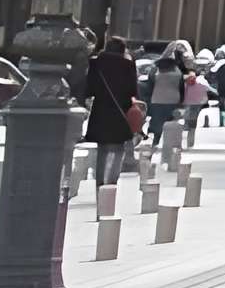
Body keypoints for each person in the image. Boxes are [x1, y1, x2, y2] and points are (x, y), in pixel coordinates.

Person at [82, 36, 139, 186]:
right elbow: (133, 90)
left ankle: (100, 182)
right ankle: (112, 183)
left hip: (101, 110)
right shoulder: (128, 64)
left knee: (103, 149)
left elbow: (89, 89)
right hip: (121, 109)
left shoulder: (96, 63)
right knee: (118, 147)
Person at [145, 44, 193, 167]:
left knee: (156, 129)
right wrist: (181, 102)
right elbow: (181, 87)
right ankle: (169, 157)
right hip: (173, 101)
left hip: (157, 100)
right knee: (171, 129)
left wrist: (151, 98)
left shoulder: (155, 69)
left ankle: (148, 155)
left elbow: (149, 85)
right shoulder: (177, 71)